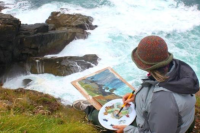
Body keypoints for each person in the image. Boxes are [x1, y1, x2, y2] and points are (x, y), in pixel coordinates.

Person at [73, 35, 199, 133]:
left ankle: (89, 110)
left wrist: (127, 130)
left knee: (98, 117)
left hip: (174, 129)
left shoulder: (163, 100)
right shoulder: (174, 68)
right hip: (182, 123)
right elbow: (157, 96)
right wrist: (136, 99)